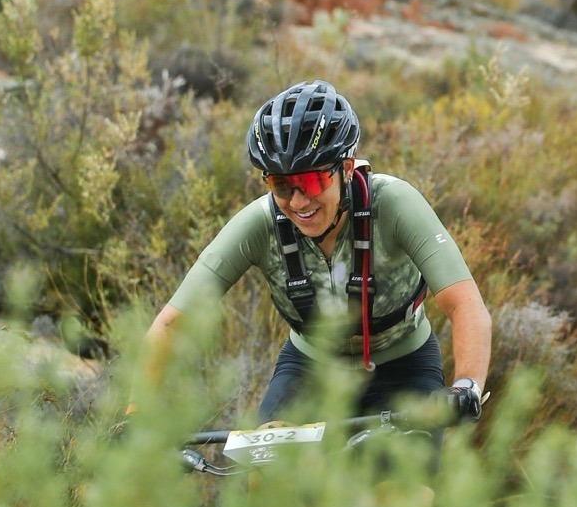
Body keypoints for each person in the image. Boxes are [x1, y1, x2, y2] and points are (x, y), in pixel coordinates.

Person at [141, 79, 491, 428]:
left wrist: (466, 385)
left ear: (347, 168)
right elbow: (173, 323)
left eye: (310, 182)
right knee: (262, 472)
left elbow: (465, 304)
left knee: (404, 485)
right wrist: (136, 414)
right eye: (280, 184)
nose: (297, 201)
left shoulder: (395, 203)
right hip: (308, 368)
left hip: (404, 366)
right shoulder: (260, 223)